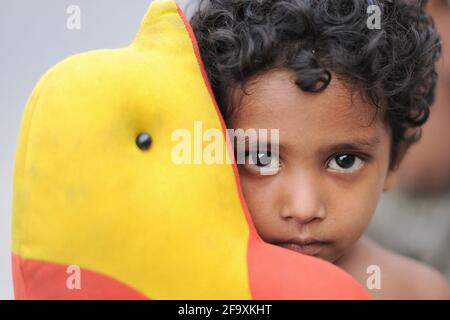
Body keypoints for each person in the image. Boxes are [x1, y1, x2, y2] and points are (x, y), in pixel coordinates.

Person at [190, 0, 450, 299]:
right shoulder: (190, 281)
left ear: (395, 159)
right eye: (262, 158)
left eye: (344, 160)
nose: (304, 208)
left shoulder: (415, 292)